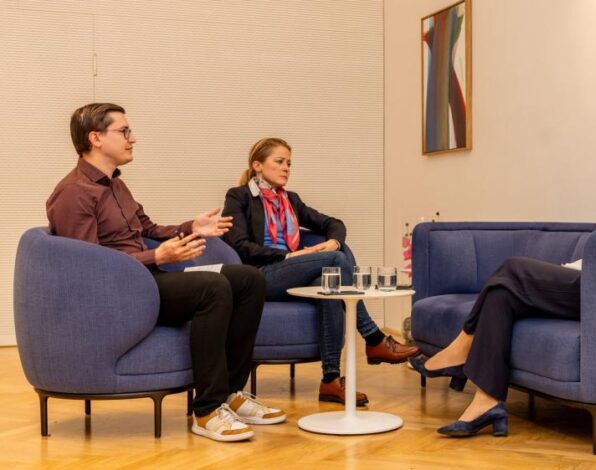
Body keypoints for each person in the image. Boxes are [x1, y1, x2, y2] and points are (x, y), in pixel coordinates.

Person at [410, 128, 596, 437]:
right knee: (502, 294)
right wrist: (566, 269)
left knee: (512, 269)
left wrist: (566, 272)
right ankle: (487, 402)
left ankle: (462, 346)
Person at [46, 103, 284, 443]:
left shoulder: (116, 186)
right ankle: (207, 409)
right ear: (95, 138)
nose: (132, 138)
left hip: (147, 280)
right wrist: (155, 256)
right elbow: (88, 266)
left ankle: (231, 393)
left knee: (248, 279)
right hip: (120, 293)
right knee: (212, 287)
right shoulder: (73, 192)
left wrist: (191, 227)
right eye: (124, 131)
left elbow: (147, 227)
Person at [222, 137, 420, 405]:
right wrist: (288, 255)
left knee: (329, 283)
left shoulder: (290, 200)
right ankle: (374, 338)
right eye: (279, 162)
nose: (286, 168)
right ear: (257, 165)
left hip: (289, 273)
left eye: (289, 163)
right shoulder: (239, 196)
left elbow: (333, 223)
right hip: (260, 275)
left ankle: (330, 380)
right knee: (336, 261)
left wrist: (334, 241)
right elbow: (239, 245)